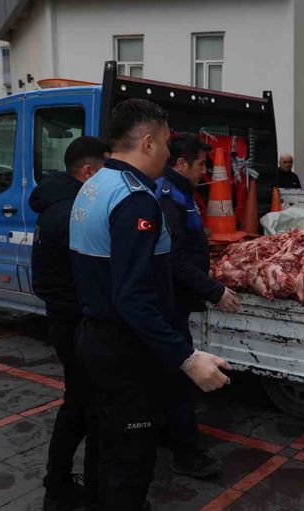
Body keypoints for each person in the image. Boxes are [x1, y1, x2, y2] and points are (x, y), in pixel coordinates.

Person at [69, 99, 232, 510]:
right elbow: (133, 297)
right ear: (147, 143)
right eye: (164, 142)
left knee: (104, 446)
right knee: (130, 459)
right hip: (125, 349)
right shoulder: (136, 200)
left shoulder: (94, 184)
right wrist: (186, 357)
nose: (167, 152)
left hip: (94, 336)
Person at [154, 132, 240, 478]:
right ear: (181, 164)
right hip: (169, 301)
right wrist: (214, 290)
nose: (206, 171)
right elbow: (172, 257)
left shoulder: (183, 193)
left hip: (177, 298)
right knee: (181, 378)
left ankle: (165, 433)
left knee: (167, 374)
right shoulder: (168, 197)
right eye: (201, 164)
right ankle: (187, 455)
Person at [31, 136, 109, 511]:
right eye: (105, 172)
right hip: (77, 322)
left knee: (78, 405)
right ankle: (74, 489)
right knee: (85, 408)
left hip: (65, 319)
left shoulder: (57, 203)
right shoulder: (73, 212)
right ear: (88, 172)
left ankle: (59, 484)